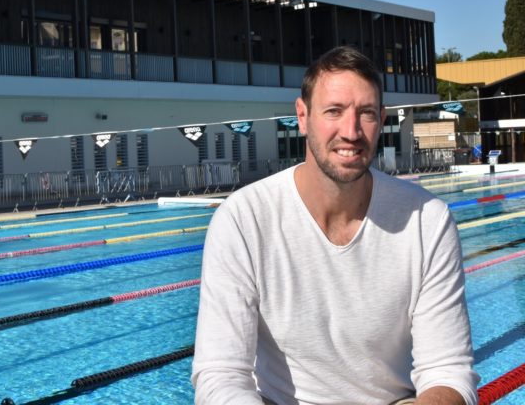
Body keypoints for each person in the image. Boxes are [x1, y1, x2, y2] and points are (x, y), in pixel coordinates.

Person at [191, 46, 479, 405]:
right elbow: (221, 374)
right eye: (334, 111)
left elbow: (448, 371)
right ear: (302, 116)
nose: (351, 131)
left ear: (382, 119)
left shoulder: (427, 220)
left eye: (366, 113)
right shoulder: (243, 220)